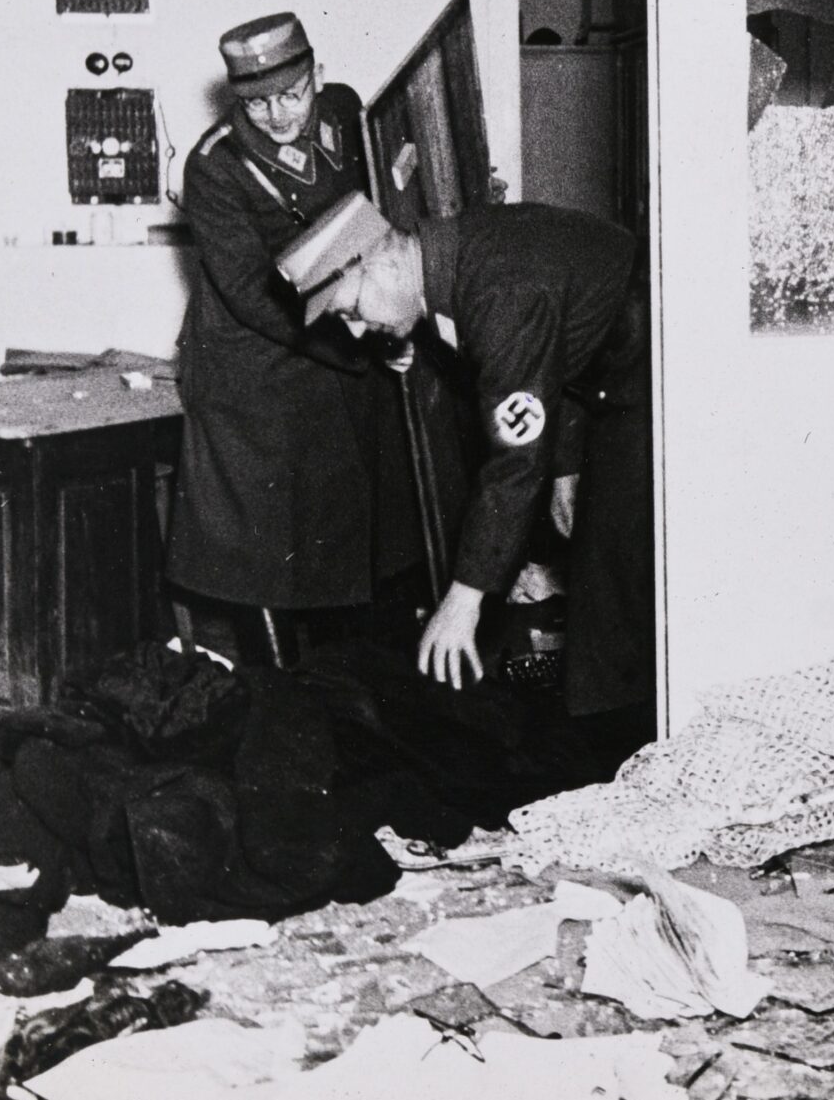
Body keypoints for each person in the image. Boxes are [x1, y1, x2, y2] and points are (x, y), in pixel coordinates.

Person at [279, 190, 655, 782]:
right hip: (615, 370)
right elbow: (555, 357)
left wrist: (463, 598)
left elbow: (513, 462)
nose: (355, 332)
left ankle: (628, 769)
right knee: (605, 584)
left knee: (616, 592)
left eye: (350, 310)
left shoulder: (496, 291)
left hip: (656, 366)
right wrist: (565, 466)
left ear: (382, 262)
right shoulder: (452, 258)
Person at [165, 13, 423, 667]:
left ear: (318, 76)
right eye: (258, 103)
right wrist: (364, 341)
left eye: (292, 94)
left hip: (339, 335)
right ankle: (278, 692)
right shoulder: (215, 166)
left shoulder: (345, 113)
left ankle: (350, 686)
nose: (278, 115)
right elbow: (252, 293)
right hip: (256, 369)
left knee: (352, 537)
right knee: (267, 554)